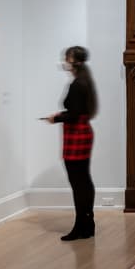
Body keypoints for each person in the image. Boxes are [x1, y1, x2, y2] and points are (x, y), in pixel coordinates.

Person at [45, 46, 98, 241]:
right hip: (83, 133)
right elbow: (81, 111)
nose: (64, 62)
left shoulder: (77, 84)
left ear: (74, 61)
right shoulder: (85, 81)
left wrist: (56, 118)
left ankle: (81, 226)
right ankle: (87, 223)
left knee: (78, 182)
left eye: (67, 58)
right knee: (84, 180)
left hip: (76, 134)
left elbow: (74, 114)